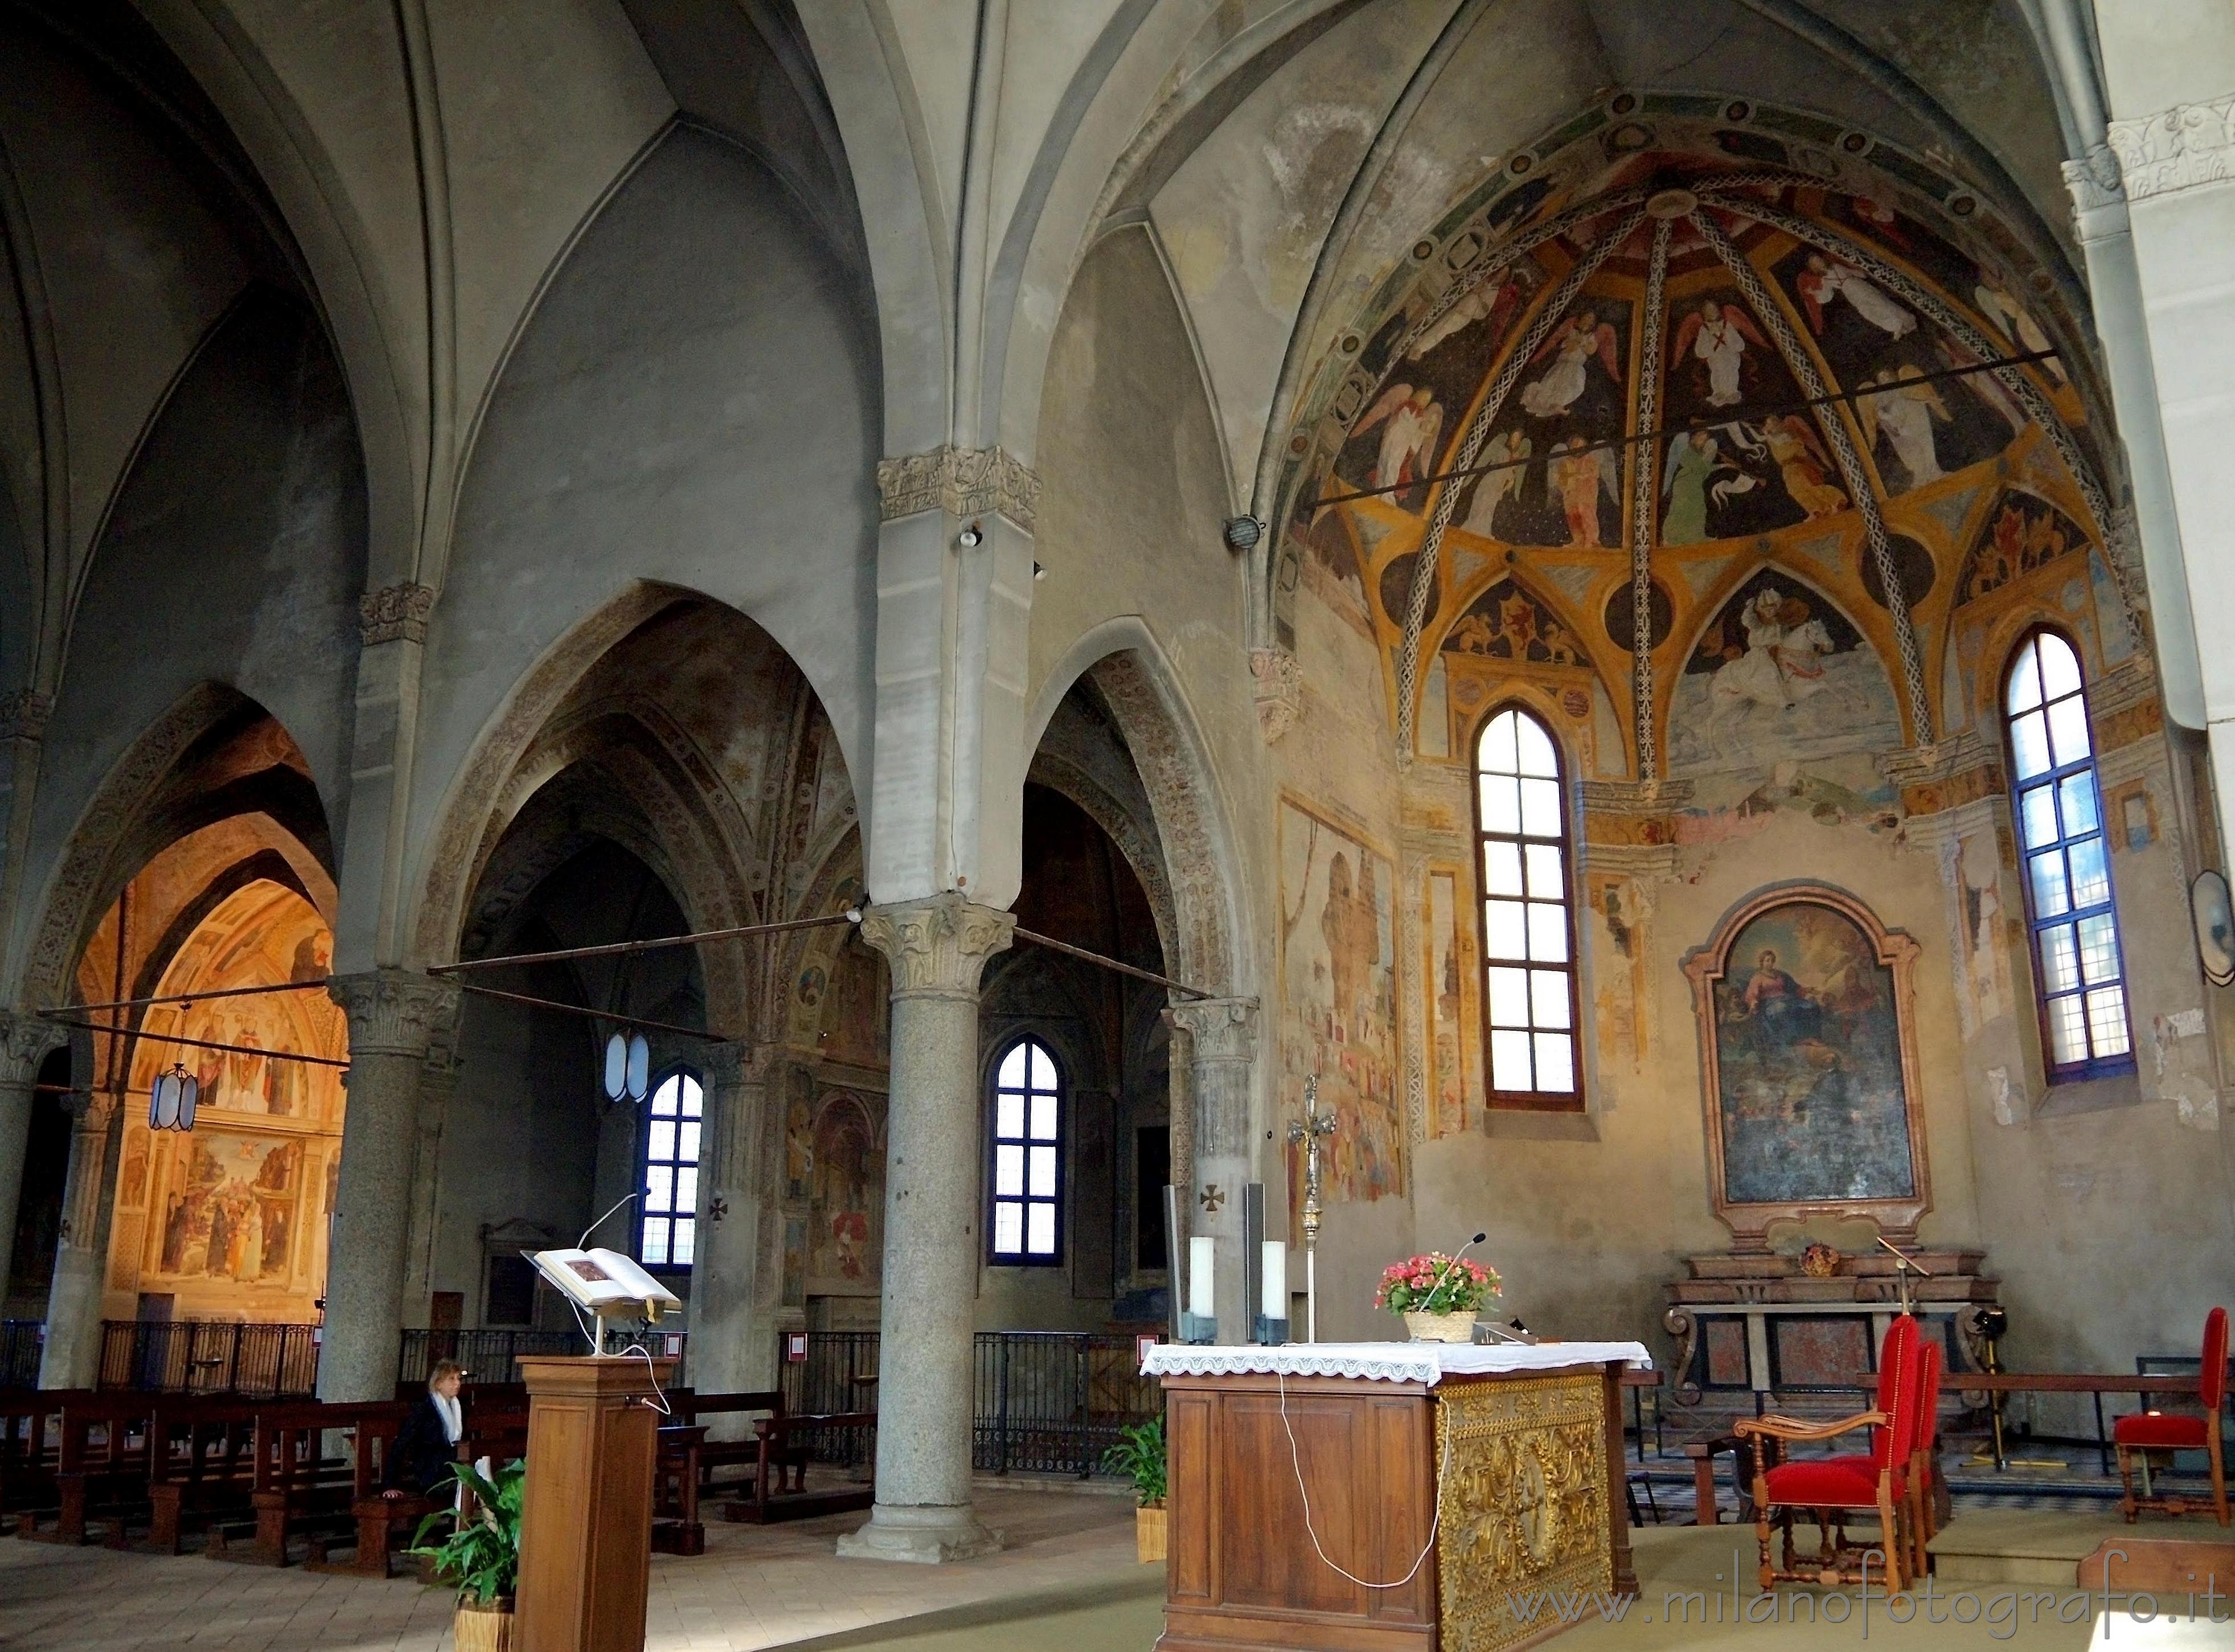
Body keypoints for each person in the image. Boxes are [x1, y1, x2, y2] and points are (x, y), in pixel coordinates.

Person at [384, 1360, 467, 1499]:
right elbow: (401, 1444)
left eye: (459, 1378)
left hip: (450, 1467)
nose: (457, 1383)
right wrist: (390, 1485)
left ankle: (459, 1520)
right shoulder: (424, 1409)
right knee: (463, 1487)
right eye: (451, 1379)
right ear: (438, 1383)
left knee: (476, 1484)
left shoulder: (460, 1408)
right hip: (429, 1472)